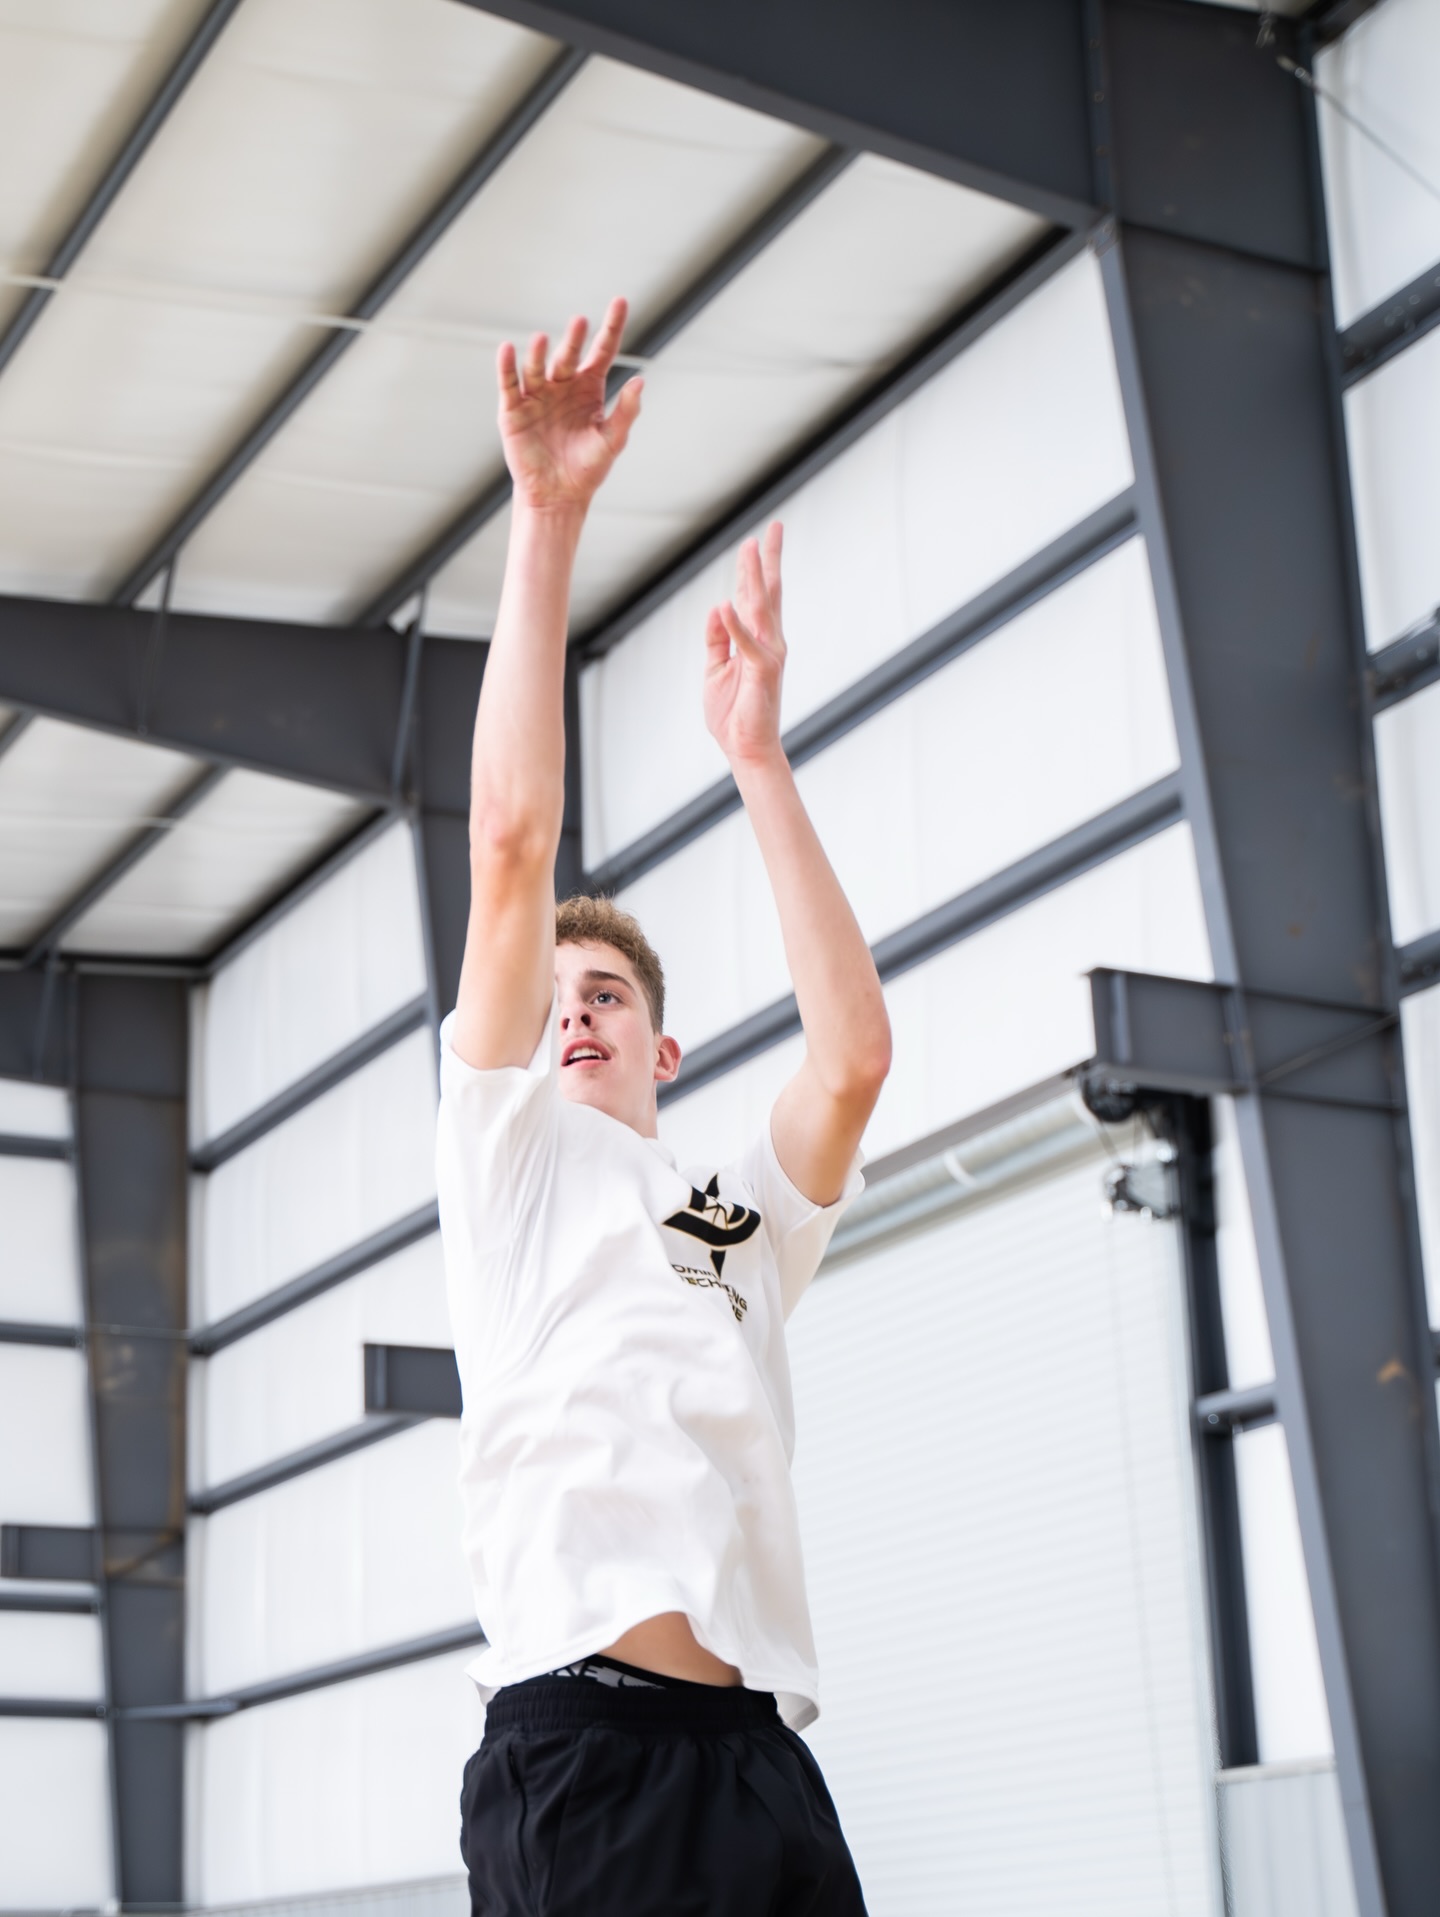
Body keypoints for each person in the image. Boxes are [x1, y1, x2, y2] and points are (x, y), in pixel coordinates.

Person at [437, 296, 891, 1915]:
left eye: (608, 995)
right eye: (554, 997)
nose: (574, 1013)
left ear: (663, 1049)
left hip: (758, 1758)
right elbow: (511, 842)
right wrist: (546, 517)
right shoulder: (510, 1163)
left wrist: (758, 757)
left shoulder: (719, 1217)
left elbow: (851, 1060)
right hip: (584, 1755)